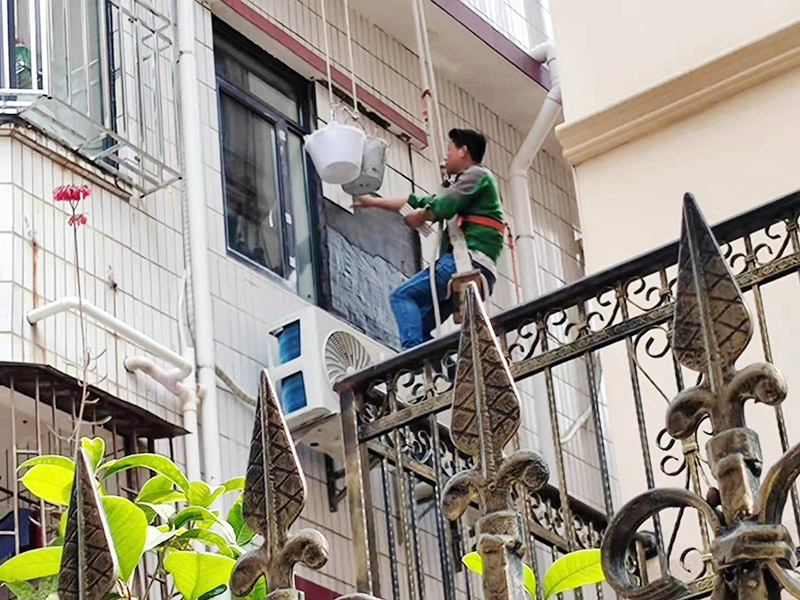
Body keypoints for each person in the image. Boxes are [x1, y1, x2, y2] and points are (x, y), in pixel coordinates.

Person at [353, 128, 504, 349]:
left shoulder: (477, 176)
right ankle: (452, 376)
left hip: (465, 263)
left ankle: (412, 358)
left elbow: (441, 206)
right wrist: (373, 202)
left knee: (402, 297)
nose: (445, 157)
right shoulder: (468, 188)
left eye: (449, 149)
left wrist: (422, 216)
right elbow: (417, 201)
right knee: (420, 329)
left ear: (463, 151)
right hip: (477, 271)